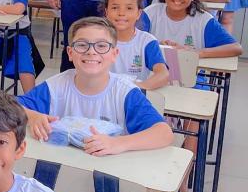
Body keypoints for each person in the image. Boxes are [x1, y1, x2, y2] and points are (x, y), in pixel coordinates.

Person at [143, 0, 243, 192]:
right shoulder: (150, 13)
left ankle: (184, 186)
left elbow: (236, 47)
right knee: (146, 119)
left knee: (192, 128)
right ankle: (146, 178)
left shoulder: (202, 19)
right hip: (155, 80)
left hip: (189, 85)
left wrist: (194, 52)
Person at [18, 17, 173, 154]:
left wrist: (118, 143)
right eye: (82, 45)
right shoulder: (55, 86)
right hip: (65, 169)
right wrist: (32, 117)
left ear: (114, 54)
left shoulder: (125, 92)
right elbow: (9, 107)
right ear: (70, 53)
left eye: (101, 46)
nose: (91, 52)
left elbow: (164, 133)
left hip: (109, 173)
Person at [102, 0, 169, 90]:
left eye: (129, 8)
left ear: (138, 13)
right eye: (115, 8)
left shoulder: (147, 41)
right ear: (106, 12)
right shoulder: (97, 39)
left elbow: (163, 74)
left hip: (134, 97)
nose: (121, 13)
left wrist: (136, 88)